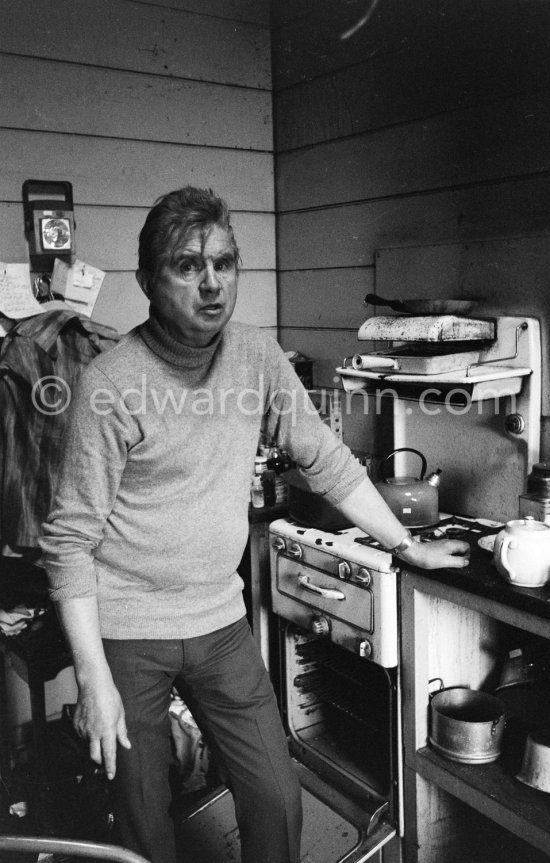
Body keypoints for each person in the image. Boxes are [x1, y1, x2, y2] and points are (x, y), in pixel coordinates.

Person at [40, 186, 470, 863]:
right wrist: (93, 681)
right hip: (128, 630)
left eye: (224, 262)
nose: (212, 283)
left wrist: (406, 543)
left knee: (275, 794)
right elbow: (67, 543)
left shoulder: (256, 357)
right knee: (144, 822)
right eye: (187, 265)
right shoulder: (109, 384)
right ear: (150, 279)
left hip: (219, 620)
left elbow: (324, 460)